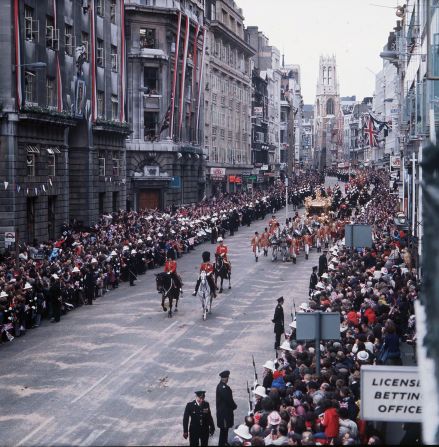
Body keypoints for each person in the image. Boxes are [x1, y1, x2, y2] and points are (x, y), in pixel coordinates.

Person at [216, 370, 237, 446]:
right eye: (227, 377)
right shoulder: (223, 388)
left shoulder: (222, 386)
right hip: (224, 414)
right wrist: (234, 406)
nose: (228, 379)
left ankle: (224, 442)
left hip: (225, 413)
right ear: (225, 378)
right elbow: (228, 400)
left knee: (225, 430)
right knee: (224, 430)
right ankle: (222, 443)